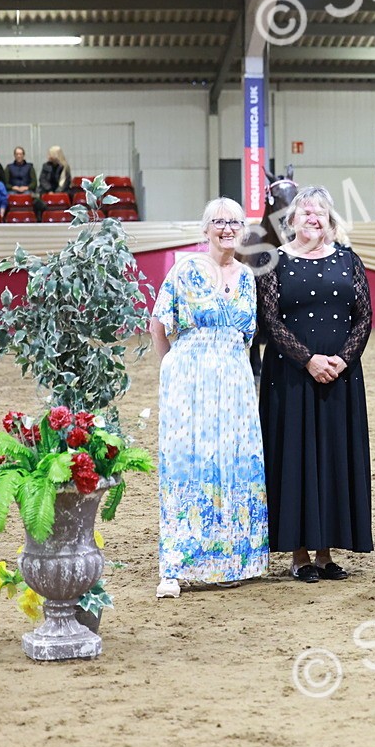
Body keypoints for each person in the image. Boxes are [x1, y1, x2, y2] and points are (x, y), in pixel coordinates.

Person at [149, 197, 270, 598]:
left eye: (234, 222)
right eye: (218, 221)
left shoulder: (248, 277)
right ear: (205, 229)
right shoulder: (184, 270)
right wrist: (173, 369)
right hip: (188, 380)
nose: (227, 229)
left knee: (232, 464)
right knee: (187, 465)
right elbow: (158, 325)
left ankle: (228, 561)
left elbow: (247, 337)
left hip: (234, 381)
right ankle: (175, 565)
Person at [256, 185, 374, 583]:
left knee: (334, 457)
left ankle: (325, 554)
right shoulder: (273, 261)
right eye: (305, 211)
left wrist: (342, 359)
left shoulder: (348, 259)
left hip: (341, 376)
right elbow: (269, 320)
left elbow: (364, 317)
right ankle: (299, 554)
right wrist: (308, 359)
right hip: (291, 377)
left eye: (319, 211)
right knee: (296, 458)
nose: (312, 217)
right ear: (291, 220)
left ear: (330, 220)